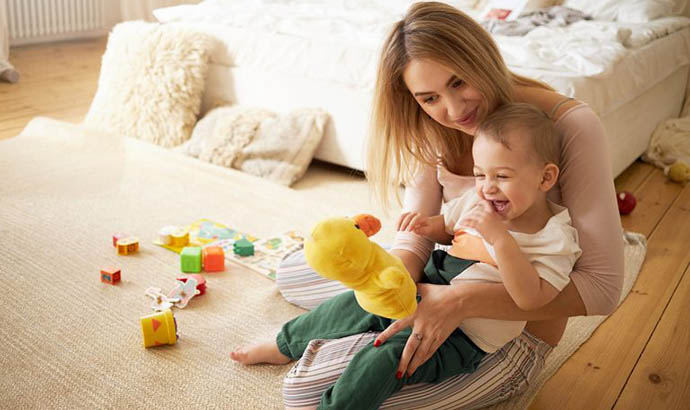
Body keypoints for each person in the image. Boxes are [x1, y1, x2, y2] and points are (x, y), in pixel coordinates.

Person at [274, 2, 624, 408]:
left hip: (500, 333)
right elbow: (417, 234)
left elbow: (602, 289)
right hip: (441, 277)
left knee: (303, 393)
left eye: (459, 82)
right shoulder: (433, 122)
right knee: (293, 274)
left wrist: (457, 303)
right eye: (430, 97)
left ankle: (365, 341)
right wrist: (400, 279)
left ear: (482, 58)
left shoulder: (566, 126)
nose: (455, 111)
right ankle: (368, 330)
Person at [230, 103, 582, 410]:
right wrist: (428, 226)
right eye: (480, 175)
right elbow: (450, 227)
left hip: (462, 337)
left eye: (502, 176)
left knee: (385, 359)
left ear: (545, 177)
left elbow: (533, 298)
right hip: (421, 287)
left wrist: (501, 241)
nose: (487, 187)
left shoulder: (554, 237)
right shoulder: (480, 200)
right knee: (354, 303)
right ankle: (284, 343)